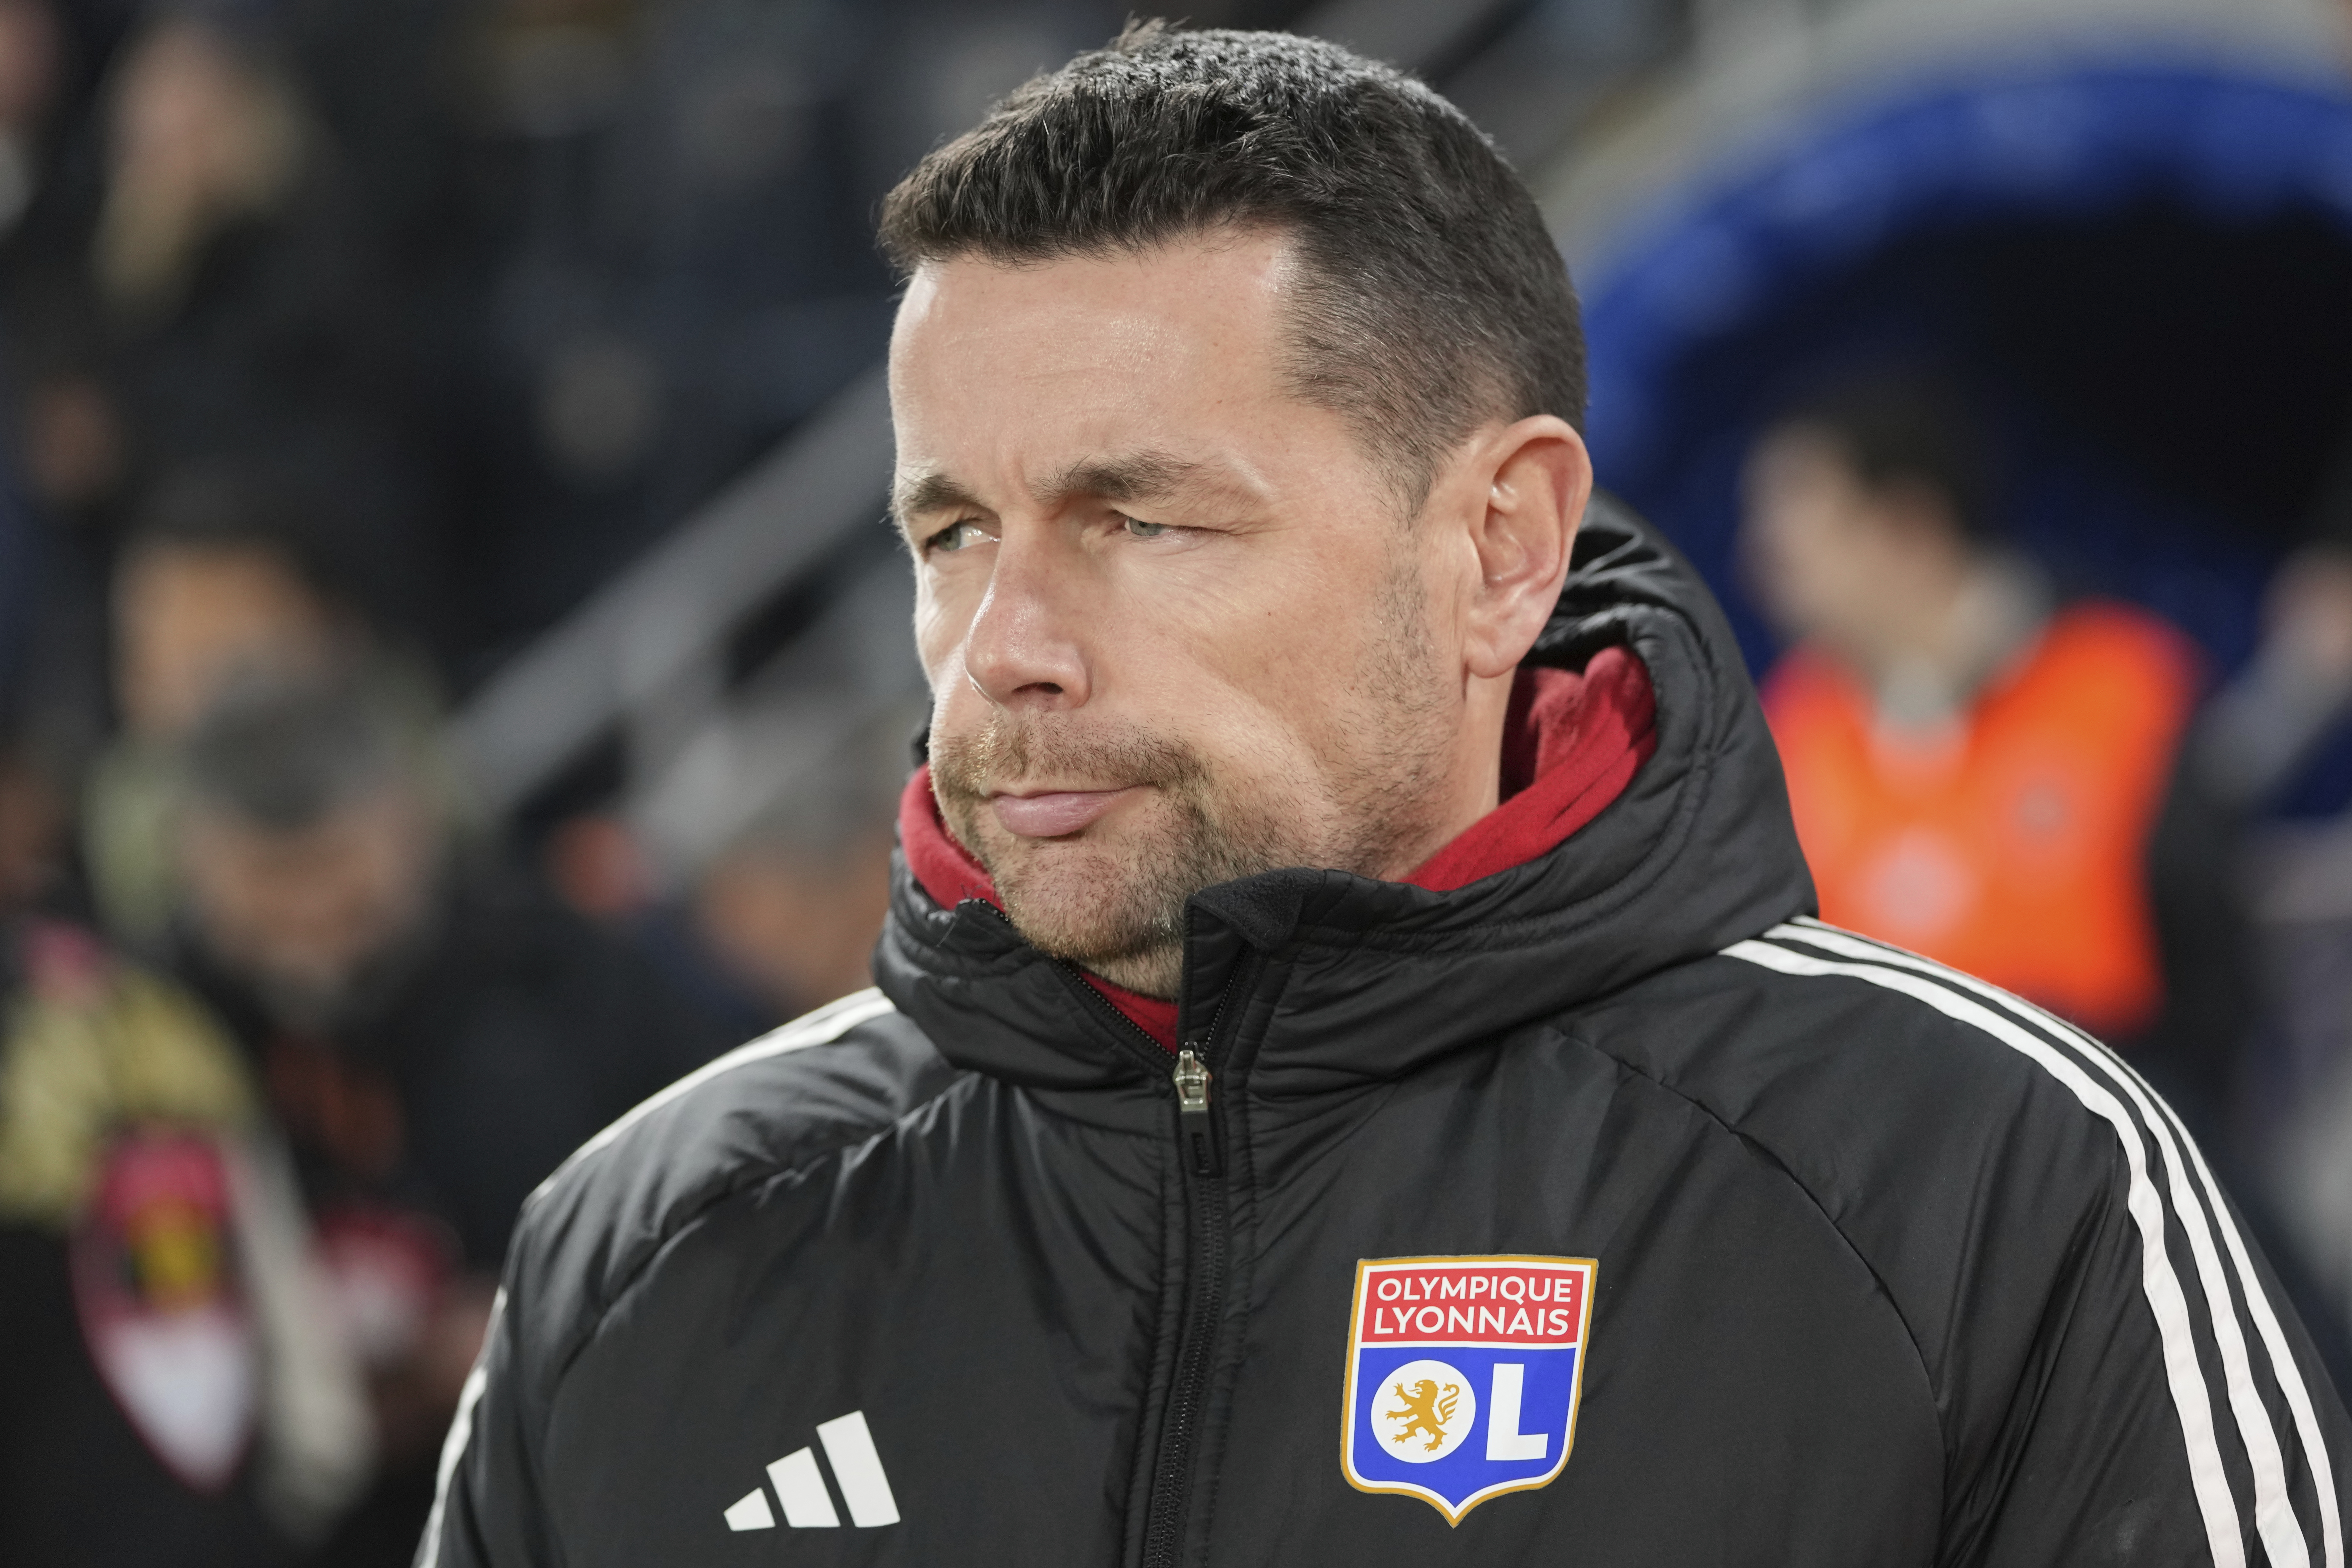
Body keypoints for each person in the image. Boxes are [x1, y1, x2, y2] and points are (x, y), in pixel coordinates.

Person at [421, 25, 2346, 1567]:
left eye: (1136, 516)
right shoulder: (647, 1245)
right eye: (950, 530)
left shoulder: (1991, 1194)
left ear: (1500, 543)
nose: (1001, 644)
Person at [161, 673, 734, 1565]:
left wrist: (544, 1323)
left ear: (405, 820)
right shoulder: (159, 1028)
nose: (310, 917)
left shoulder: (561, 973)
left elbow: (738, 1189)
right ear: (199, 860)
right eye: (272, 879)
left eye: (334, 871)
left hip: (565, 1492)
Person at [1742, 373, 2202, 1046]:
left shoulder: (2117, 682)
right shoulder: (1787, 727)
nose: (1762, 562)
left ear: (1907, 527)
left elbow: (2207, 950)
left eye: (1798, 529)